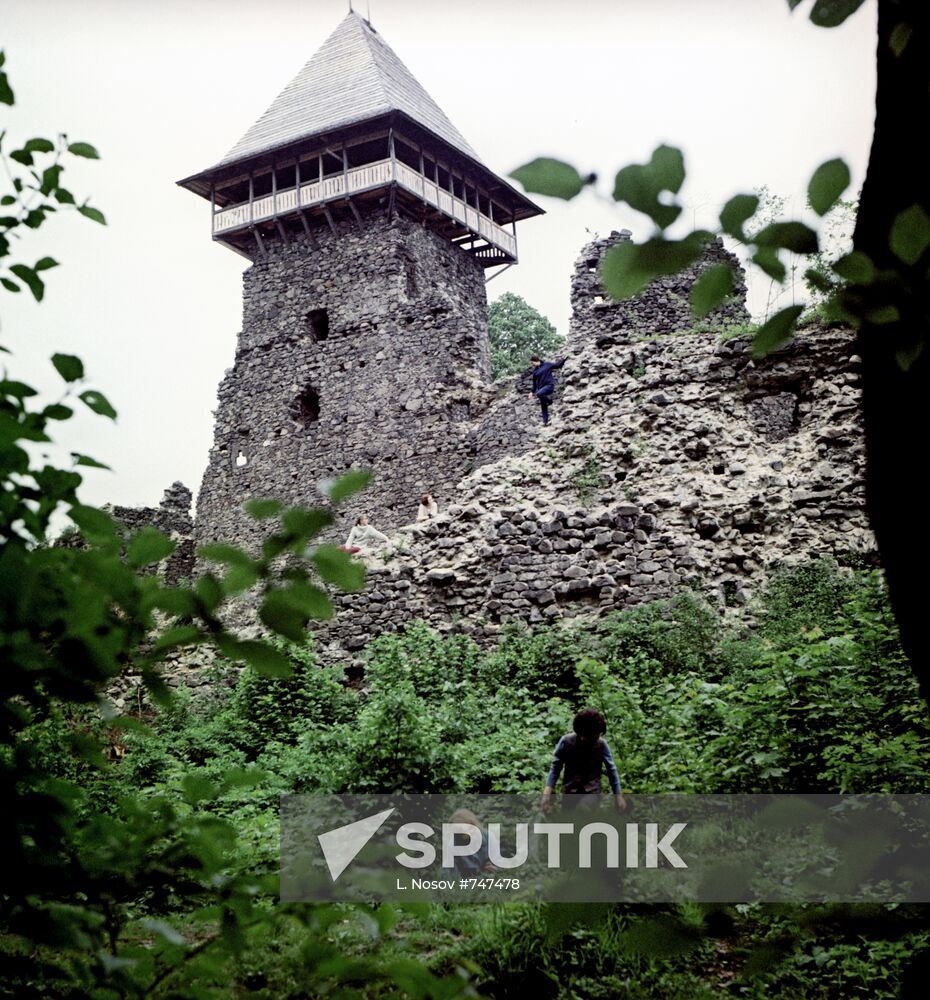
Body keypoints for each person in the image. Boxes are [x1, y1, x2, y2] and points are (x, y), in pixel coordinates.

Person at [540, 708, 627, 814]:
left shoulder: (601, 745)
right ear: (582, 735)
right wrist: (547, 794)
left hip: (592, 790)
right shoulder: (567, 742)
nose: (598, 737)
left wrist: (618, 796)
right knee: (569, 820)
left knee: (583, 811)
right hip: (570, 790)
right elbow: (555, 768)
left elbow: (611, 769)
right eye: (595, 736)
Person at [529, 355, 566, 426]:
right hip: (541, 389)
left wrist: (564, 360)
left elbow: (558, 365)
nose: (532, 364)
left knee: (539, 394)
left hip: (549, 386)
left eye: (532, 362)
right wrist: (532, 392)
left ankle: (550, 401)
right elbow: (534, 384)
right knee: (543, 405)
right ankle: (545, 422)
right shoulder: (535, 372)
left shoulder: (547, 365)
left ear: (536, 360)